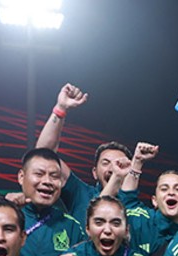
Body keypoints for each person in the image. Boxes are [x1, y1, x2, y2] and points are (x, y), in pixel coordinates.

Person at [0, 148, 85, 256]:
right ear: (21, 177)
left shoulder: (71, 226)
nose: (47, 181)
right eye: (39, 174)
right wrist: (3, 206)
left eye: (54, 176)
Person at [32, 82, 131, 215]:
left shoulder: (139, 209)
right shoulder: (80, 194)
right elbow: (44, 155)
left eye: (120, 163)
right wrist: (60, 108)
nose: (113, 168)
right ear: (95, 172)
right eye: (106, 163)